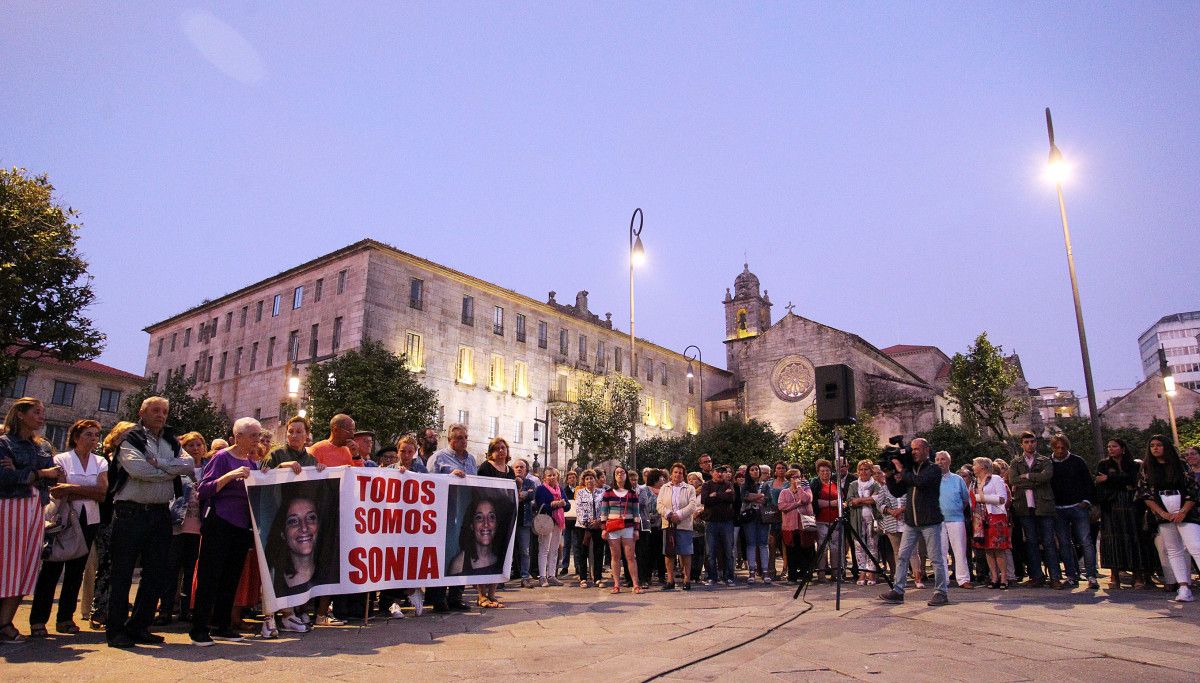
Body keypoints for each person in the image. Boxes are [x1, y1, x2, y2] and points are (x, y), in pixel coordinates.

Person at [106, 396, 195, 648]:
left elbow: (188, 465)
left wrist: (162, 464)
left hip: (159, 514)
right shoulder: (130, 439)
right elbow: (139, 471)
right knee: (122, 574)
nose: (161, 415)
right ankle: (116, 630)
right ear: (141, 412)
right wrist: (168, 471)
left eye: (164, 411)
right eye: (155, 410)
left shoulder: (170, 441)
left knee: (156, 572)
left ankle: (140, 625)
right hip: (130, 513)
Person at [189, 417, 262, 646]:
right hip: (220, 521)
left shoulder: (252, 464)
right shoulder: (221, 458)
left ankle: (222, 625)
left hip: (241, 526)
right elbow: (204, 490)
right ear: (238, 436)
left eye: (258, 436)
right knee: (210, 576)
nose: (257, 440)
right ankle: (199, 628)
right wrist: (230, 476)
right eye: (253, 436)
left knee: (231, 577)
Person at [30, 420, 107, 637]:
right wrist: (86, 490)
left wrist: (72, 488)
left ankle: (65, 618)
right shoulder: (62, 459)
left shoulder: (100, 461)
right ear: (76, 437)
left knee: (76, 571)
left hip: (89, 519)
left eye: (96, 435)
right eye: (88, 435)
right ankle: (38, 620)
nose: (93, 439)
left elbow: (102, 492)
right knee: (52, 568)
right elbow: (57, 491)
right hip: (63, 518)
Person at [0, 398, 60, 644]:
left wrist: (27, 474)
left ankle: (4, 622)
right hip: (9, 507)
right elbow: (4, 477)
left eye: (43, 412)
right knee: (6, 563)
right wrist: (39, 474)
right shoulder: (4, 443)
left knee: (24, 565)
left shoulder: (42, 447)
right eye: (36, 412)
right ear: (21, 414)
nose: (41, 415)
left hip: (36, 508)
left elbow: (55, 476)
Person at [879, 438, 950, 606]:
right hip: (911, 522)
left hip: (930, 521)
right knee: (902, 556)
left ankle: (941, 592)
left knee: (936, 558)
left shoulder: (934, 469)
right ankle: (898, 591)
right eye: (912, 449)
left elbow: (920, 482)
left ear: (927, 450)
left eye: (917, 449)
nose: (914, 452)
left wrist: (902, 470)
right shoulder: (910, 471)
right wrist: (889, 476)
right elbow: (897, 492)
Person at [86, 420, 136, 630]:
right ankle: (99, 609)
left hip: (126, 516)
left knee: (121, 565)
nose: (129, 439)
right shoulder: (105, 460)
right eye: (126, 435)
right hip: (107, 516)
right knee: (106, 565)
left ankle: (115, 607)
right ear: (115, 437)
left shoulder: (132, 458)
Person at [1137, 435, 1200, 602]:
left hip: (1186, 511)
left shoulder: (1181, 464)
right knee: (1173, 550)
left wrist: (1184, 511)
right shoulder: (1147, 467)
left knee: (1195, 546)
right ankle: (1183, 587)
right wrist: (1162, 513)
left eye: (1159, 445)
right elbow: (1145, 494)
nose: (1155, 448)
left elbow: (1193, 489)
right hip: (1163, 512)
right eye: (1152, 445)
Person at [156, 431, 207, 625]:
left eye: (198, 445)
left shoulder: (209, 468)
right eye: (190, 446)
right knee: (171, 570)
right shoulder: (178, 468)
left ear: (204, 447)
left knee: (191, 571)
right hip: (178, 524)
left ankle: (187, 611)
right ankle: (166, 610)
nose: (194, 449)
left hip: (200, 527)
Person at [426, 423, 476, 612]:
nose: (463, 441)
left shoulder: (471, 459)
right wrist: (449, 476)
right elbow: (428, 483)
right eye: (459, 438)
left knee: (462, 551)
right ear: (449, 440)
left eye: (465, 437)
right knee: (443, 555)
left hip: (464, 513)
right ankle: (438, 598)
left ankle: (456, 596)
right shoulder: (438, 458)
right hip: (443, 514)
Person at [1008, 431, 1062, 589]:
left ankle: (1055, 576)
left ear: (1036, 443)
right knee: (1031, 543)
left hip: (1043, 506)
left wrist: (1026, 477)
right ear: (1022, 444)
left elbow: (1046, 477)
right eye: (1026, 442)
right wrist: (1033, 479)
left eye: (1032, 441)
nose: (1030, 444)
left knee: (1049, 542)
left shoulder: (1045, 460)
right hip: (1025, 507)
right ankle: (1036, 575)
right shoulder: (1016, 462)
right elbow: (1013, 480)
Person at [1048, 434, 1099, 589]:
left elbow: (1088, 482)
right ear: (1052, 448)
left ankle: (1091, 575)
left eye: (1063, 447)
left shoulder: (1077, 461)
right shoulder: (1048, 463)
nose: (1060, 450)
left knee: (1086, 541)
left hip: (1078, 506)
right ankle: (1071, 575)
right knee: (1064, 543)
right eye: (1057, 447)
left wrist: (1087, 501)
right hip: (1059, 508)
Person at [1095, 439, 1148, 589]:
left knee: (1133, 538)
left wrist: (1110, 479)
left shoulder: (1134, 465)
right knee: (1113, 540)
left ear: (1122, 448)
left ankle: (1138, 575)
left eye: (1114, 446)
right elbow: (1100, 481)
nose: (1111, 449)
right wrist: (1120, 483)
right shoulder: (1104, 465)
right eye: (1109, 446)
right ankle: (1114, 575)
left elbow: (1133, 480)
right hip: (1111, 505)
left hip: (1131, 505)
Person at [475, 436, 513, 608]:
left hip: (504, 516)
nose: (501, 451)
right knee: (484, 552)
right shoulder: (485, 467)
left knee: (499, 553)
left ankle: (492, 593)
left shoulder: (509, 470)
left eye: (503, 448)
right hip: (488, 516)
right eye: (497, 448)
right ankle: (481, 594)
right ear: (491, 452)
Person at [969, 457, 1011, 588]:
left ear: (982, 466)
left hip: (996, 516)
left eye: (975, 465)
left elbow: (1002, 498)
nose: (973, 468)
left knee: (998, 548)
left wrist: (981, 498)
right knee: (987, 548)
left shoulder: (996, 479)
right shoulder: (975, 482)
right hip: (980, 518)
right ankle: (994, 576)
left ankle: (1004, 576)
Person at [658, 463, 699, 590]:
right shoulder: (664, 487)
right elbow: (659, 505)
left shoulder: (689, 488)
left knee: (686, 553)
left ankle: (686, 580)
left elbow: (692, 505)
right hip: (668, 524)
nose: (677, 474)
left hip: (684, 524)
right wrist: (669, 514)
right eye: (675, 472)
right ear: (671, 474)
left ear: (684, 475)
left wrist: (679, 515)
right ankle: (670, 580)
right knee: (669, 553)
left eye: (680, 472)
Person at [601, 465, 642, 593]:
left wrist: (636, 529)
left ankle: (635, 584)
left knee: (630, 557)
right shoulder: (607, 493)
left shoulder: (632, 493)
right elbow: (604, 512)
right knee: (615, 556)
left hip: (628, 527)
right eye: (617, 472)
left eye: (622, 472)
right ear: (614, 475)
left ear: (626, 475)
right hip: (613, 527)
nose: (620, 474)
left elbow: (636, 513)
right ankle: (616, 584)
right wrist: (603, 528)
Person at [936, 450, 974, 589]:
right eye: (938, 459)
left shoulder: (957, 479)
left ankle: (963, 579)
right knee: (940, 552)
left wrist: (955, 509)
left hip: (956, 519)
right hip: (938, 521)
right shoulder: (932, 479)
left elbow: (965, 499)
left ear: (949, 462)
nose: (940, 462)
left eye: (943, 459)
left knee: (959, 550)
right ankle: (942, 580)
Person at [448, 491, 507, 578]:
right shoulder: (459, 564)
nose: (486, 524)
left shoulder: (503, 560)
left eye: (491, 517)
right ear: (471, 525)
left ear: (497, 523)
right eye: (479, 518)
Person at [700, 465, 737, 586]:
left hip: (727, 522)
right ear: (712, 473)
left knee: (728, 551)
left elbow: (731, 498)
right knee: (710, 552)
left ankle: (729, 577)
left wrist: (716, 495)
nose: (720, 474)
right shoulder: (706, 485)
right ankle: (712, 577)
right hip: (711, 522)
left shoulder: (728, 484)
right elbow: (705, 500)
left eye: (722, 472)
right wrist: (723, 495)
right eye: (717, 471)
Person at [534, 467, 571, 587]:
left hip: (558, 522)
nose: (552, 477)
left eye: (554, 475)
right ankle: (542, 576)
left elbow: (568, 506)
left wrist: (563, 504)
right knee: (544, 549)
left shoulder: (560, 489)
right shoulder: (541, 489)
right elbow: (541, 505)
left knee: (554, 550)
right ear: (544, 478)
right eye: (549, 475)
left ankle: (552, 575)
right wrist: (554, 504)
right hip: (547, 521)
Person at [778, 468, 815, 584]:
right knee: (792, 551)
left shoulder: (806, 490)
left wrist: (799, 488)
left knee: (806, 550)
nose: (797, 479)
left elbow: (807, 500)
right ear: (789, 479)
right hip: (790, 526)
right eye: (794, 477)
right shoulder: (784, 492)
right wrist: (797, 504)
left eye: (799, 477)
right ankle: (792, 576)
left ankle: (806, 576)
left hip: (804, 526)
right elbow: (782, 507)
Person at [846, 459, 880, 586]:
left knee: (872, 546)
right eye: (861, 469)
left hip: (872, 519)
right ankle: (862, 573)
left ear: (871, 471)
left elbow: (876, 500)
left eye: (866, 469)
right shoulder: (853, 485)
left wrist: (859, 500)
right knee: (859, 547)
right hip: (857, 520)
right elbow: (850, 501)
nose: (863, 472)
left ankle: (872, 573)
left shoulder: (876, 484)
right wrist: (868, 499)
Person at [739, 464, 771, 583]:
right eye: (752, 470)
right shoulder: (744, 485)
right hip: (750, 517)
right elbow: (745, 497)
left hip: (763, 517)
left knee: (763, 544)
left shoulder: (766, 485)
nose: (755, 471)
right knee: (751, 544)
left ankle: (765, 571)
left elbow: (768, 499)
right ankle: (751, 572)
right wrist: (759, 496)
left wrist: (754, 497)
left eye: (756, 469)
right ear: (748, 472)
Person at [573, 469, 605, 587]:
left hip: (598, 525)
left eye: (591, 478)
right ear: (584, 481)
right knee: (583, 552)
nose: (589, 480)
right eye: (587, 479)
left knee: (598, 551)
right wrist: (587, 522)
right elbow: (579, 509)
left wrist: (599, 520)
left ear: (595, 479)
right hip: (583, 527)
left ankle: (597, 578)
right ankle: (583, 578)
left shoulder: (602, 492)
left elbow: (604, 508)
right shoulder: (580, 493)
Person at [811, 459, 841, 582]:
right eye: (822, 471)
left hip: (835, 520)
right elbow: (815, 502)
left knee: (835, 547)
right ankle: (821, 574)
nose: (825, 473)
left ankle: (836, 574)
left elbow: (840, 501)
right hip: (820, 520)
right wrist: (830, 503)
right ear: (818, 472)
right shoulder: (816, 485)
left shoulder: (835, 485)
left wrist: (831, 504)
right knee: (822, 547)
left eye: (827, 471)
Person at [636, 469, 666, 587]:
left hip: (662, 525)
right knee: (647, 552)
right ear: (655, 479)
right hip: (647, 525)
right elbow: (641, 506)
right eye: (661, 478)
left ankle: (662, 576)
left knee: (661, 552)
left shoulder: (665, 490)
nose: (663, 480)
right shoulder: (644, 490)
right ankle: (646, 577)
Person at [511, 458, 537, 588]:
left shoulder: (530, 482)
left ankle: (525, 577)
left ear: (526, 469)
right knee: (507, 550)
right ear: (512, 469)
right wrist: (521, 495)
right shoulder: (508, 481)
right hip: (509, 521)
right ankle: (500, 579)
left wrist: (524, 494)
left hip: (524, 522)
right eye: (517, 467)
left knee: (525, 551)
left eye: (522, 467)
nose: (519, 469)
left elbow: (533, 495)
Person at [763, 461, 788, 582]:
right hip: (771, 517)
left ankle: (785, 570)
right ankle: (771, 570)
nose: (781, 470)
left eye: (783, 468)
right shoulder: (768, 484)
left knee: (785, 545)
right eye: (778, 468)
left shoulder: (789, 484)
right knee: (771, 544)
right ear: (775, 470)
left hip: (785, 516)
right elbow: (763, 499)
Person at [686, 471, 708, 584]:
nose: (691, 481)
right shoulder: (686, 492)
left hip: (700, 523)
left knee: (700, 550)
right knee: (689, 551)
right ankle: (688, 574)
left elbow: (706, 504)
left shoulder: (704, 491)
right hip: (688, 523)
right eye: (689, 479)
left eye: (694, 479)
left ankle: (697, 575)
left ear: (700, 480)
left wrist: (699, 511)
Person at [560, 470, 578, 577]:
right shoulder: (564, 490)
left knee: (576, 544)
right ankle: (565, 566)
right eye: (570, 478)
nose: (572, 479)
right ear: (567, 480)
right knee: (566, 544)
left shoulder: (579, 490)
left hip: (576, 520)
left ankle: (578, 566)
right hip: (567, 520)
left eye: (574, 477)